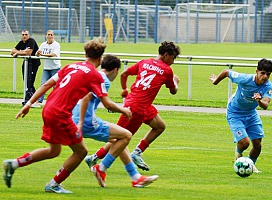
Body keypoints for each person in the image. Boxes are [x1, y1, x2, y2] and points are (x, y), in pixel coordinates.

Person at [3, 37, 132, 194]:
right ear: (100, 58)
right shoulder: (95, 75)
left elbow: (46, 84)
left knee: (54, 151)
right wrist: (124, 110)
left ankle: (14, 164)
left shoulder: (71, 66)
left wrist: (29, 104)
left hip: (48, 109)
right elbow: (107, 104)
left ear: (86, 54)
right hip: (61, 114)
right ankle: (54, 184)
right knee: (81, 152)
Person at [84, 41, 181, 171]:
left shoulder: (144, 62)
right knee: (121, 137)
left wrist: (124, 89)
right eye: (173, 58)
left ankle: (137, 152)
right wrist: (175, 81)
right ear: (166, 54)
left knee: (160, 126)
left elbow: (124, 74)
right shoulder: (167, 70)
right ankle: (94, 158)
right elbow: (173, 91)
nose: (173, 61)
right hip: (137, 108)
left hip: (139, 103)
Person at [72, 54, 158, 188]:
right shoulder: (104, 80)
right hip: (87, 122)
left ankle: (136, 178)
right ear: (115, 70)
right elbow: (93, 99)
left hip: (72, 119)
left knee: (120, 140)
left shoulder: (94, 74)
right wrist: (122, 110)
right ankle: (101, 168)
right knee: (126, 135)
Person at [209, 58, 272, 173]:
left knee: (258, 145)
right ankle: (238, 156)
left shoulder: (268, 87)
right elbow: (226, 72)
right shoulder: (245, 79)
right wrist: (215, 82)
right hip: (235, 113)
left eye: (268, 74)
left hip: (251, 114)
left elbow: (265, 104)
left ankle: (250, 164)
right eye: (262, 73)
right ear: (257, 71)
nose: (265, 77)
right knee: (244, 143)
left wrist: (259, 100)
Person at [11, 29, 41, 106]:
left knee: (30, 81)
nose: (24, 36)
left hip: (33, 63)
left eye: (26, 34)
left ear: (29, 35)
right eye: (23, 34)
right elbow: (12, 51)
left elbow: (28, 52)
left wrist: (17, 52)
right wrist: (20, 52)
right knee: (26, 81)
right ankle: (34, 98)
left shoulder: (31, 41)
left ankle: (30, 100)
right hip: (26, 62)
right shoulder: (21, 42)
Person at [35, 30, 61, 106]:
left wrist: (43, 54)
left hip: (55, 68)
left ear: (53, 36)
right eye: (48, 35)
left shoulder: (56, 45)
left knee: (55, 86)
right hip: (46, 68)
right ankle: (39, 101)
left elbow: (53, 55)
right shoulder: (43, 44)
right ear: (46, 36)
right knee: (43, 84)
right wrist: (38, 53)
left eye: (51, 35)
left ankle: (56, 101)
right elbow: (37, 54)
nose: (49, 36)